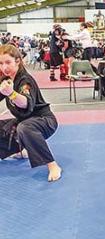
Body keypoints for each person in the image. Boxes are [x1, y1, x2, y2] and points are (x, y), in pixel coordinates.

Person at [0, 44, 62, 182]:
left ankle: (52, 165)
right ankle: (21, 151)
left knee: (24, 127)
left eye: (8, 62)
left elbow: (25, 103)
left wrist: (11, 93)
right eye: (1, 63)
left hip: (44, 121)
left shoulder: (25, 80)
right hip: (24, 122)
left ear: (17, 61)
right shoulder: (6, 79)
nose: (4, 67)